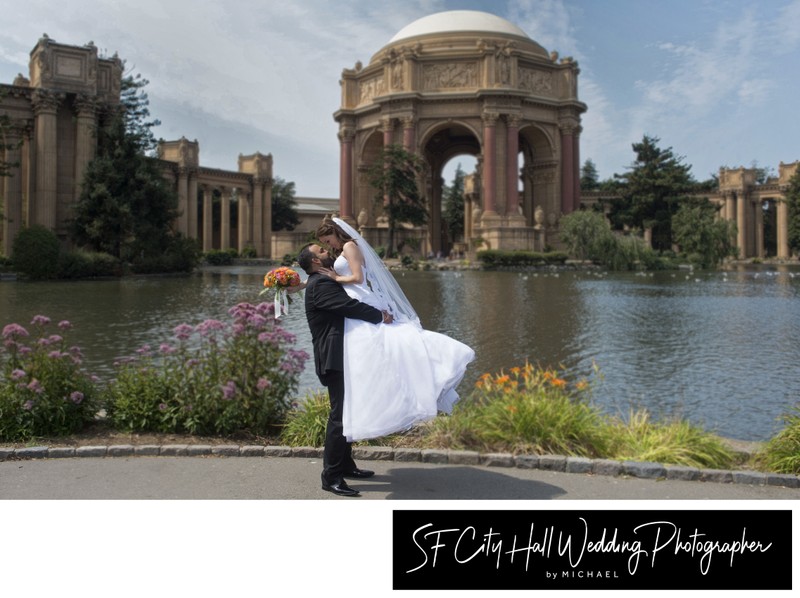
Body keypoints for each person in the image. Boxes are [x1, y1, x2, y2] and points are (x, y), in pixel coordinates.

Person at [315, 217, 475, 443]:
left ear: (335, 232)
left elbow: (358, 278)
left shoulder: (350, 246)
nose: (329, 245)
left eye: (328, 239)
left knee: (391, 343)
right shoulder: (345, 248)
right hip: (354, 297)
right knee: (375, 352)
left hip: (358, 295)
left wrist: (335, 278)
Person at [297, 242, 394, 497]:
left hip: (343, 357)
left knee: (347, 413)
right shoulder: (322, 285)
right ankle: (331, 477)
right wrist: (379, 315)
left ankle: (346, 466)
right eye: (321, 251)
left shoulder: (322, 282)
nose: (328, 252)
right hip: (333, 359)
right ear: (316, 262)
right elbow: (349, 307)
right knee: (339, 418)